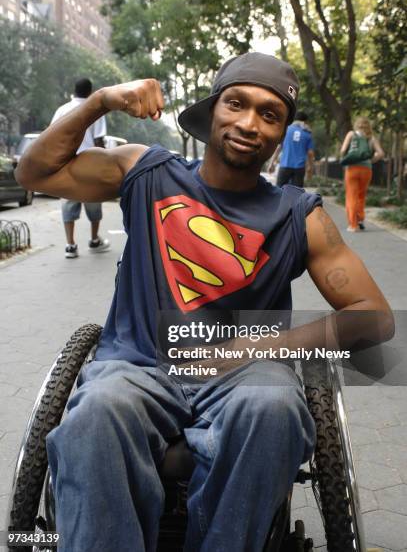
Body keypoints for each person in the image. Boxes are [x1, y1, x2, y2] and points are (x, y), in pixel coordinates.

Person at [15, 53, 393, 552]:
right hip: (137, 364)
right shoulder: (145, 170)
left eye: (269, 114)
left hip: (248, 374)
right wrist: (100, 101)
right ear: (213, 110)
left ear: (281, 135)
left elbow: (375, 317)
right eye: (237, 104)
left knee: (275, 407)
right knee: (96, 414)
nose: (249, 124)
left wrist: (257, 349)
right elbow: (34, 172)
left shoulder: (298, 216)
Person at [51, 78, 110, 258]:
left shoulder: (62, 110)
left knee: (68, 203)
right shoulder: (95, 111)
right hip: (89, 162)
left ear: (74, 91)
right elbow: (99, 140)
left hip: (67, 162)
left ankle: (70, 245)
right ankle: (94, 240)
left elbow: (52, 135)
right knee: (93, 201)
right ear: (90, 92)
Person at [340, 117, 384, 232]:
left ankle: (353, 225)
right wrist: (371, 160)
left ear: (357, 125)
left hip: (352, 169)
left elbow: (343, 150)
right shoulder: (371, 138)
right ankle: (360, 218)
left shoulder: (351, 134)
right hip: (366, 169)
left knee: (351, 195)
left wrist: (347, 156)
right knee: (361, 195)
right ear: (368, 126)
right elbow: (380, 153)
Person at [268, 110, 314, 187]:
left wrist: (271, 163)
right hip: (299, 167)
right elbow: (310, 153)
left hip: (285, 165)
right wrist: (310, 167)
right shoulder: (307, 133)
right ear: (305, 121)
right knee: (296, 193)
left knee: (279, 192)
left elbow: (278, 148)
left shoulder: (286, 130)